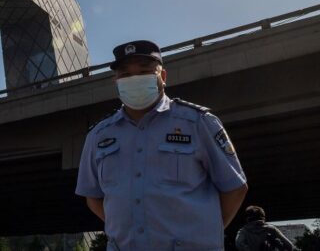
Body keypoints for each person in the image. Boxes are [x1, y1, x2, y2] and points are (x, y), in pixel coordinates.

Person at [75, 40, 248, 250]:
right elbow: (92, 197)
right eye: (125, 74)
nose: (134, 79)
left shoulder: (198, 122)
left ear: (163, 77)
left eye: (144, 71)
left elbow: (234, 188)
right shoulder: (98, 135)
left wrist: (204, 233)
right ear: (116, 81)